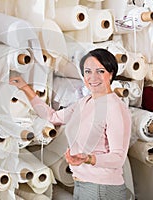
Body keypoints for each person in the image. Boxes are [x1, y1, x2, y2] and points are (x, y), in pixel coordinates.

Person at [10, 48, 131, 200]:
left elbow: (118, 157)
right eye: (87, 71)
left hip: (102, 189)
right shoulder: (85, 102)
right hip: (82, 185)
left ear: (111, 73)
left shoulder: (114, 108)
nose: (92, 77)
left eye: (100, 71)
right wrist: (25, 88)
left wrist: (88, 159)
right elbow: (52, 117)